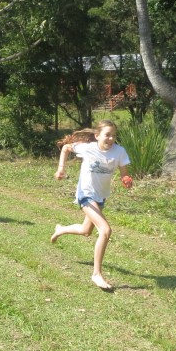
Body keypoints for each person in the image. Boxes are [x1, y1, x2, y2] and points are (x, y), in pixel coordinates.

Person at [50, 120, 133, 290]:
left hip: (101, 196)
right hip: (86, 194)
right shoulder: (88, 148)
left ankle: (60, 229)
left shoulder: (119, 152)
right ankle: (96, 274)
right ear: (97, 136)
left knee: (86, 231)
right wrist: (61, 169)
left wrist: (126, 179)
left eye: (114, 135)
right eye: (107, 135)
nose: (111, 138)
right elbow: (66, 148)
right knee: (105, 230)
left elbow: (124, 173)